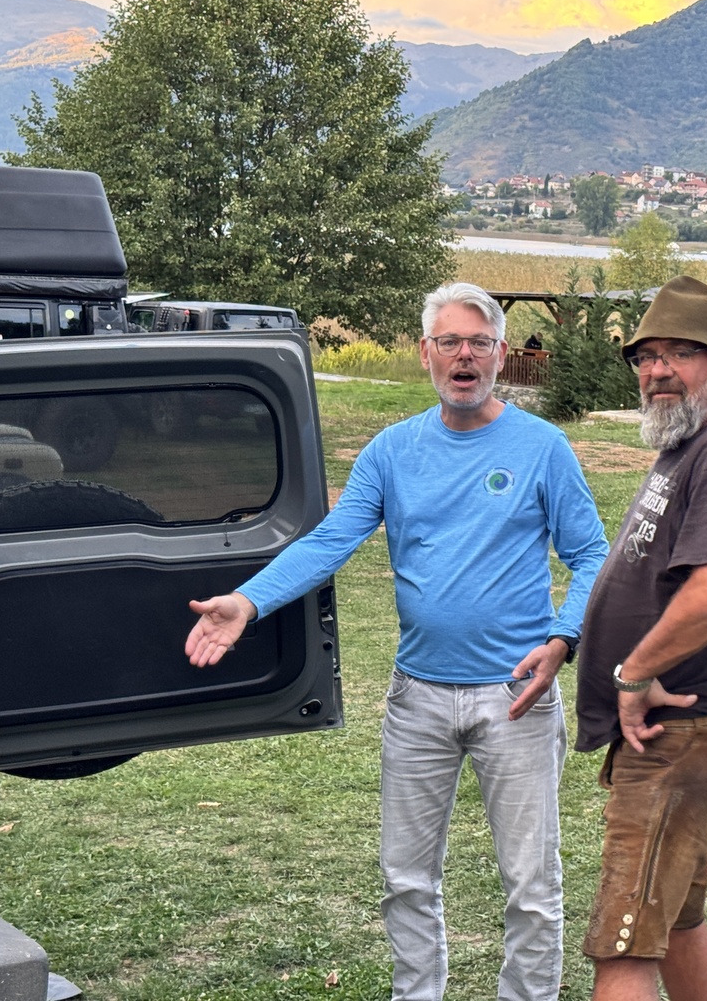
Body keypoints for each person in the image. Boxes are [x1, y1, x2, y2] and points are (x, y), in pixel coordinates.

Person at [185, 282, 609, 1001]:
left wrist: (564, 639)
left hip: (517, 696)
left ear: (500, 353)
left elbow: (592, 554)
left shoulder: (543, 448)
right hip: (418, 700)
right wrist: (247, 602)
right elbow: (330, 541)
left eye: (479, 342)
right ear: (425, 353)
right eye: (450, 342)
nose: (465, 356)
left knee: (531, 886)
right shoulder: (391, 451)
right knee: (406, 880)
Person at [573, 275, 707, 1001]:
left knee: (625, 942)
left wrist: (635, 673)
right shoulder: (697, 440)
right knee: (675, 921)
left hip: (686, 734)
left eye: (679, 353)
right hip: (699, 734)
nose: (657, 370)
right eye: (646, 356)